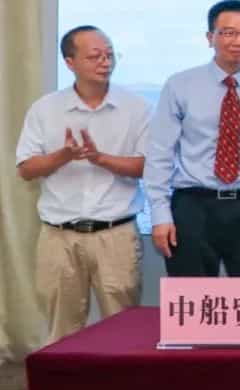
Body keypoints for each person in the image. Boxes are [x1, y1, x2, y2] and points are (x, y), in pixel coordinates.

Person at [15, 26, 150, 343]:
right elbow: (26, 169)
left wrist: (99, 158)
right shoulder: (45, 109)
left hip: (116, 234)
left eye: (110, 55)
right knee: (62, 332)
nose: (105, 62)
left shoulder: (137, 108)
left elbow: (147, 167)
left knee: (123, 331)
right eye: (95, 56)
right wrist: (64, 155)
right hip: (58, 235)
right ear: (70, 62)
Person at [144, 0, 240, 277]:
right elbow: (160, 152)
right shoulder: (180, 85)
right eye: (228, 32)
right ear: (210, 37)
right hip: (193, 205)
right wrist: (160, 215)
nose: (238, 41)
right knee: (192, 295)